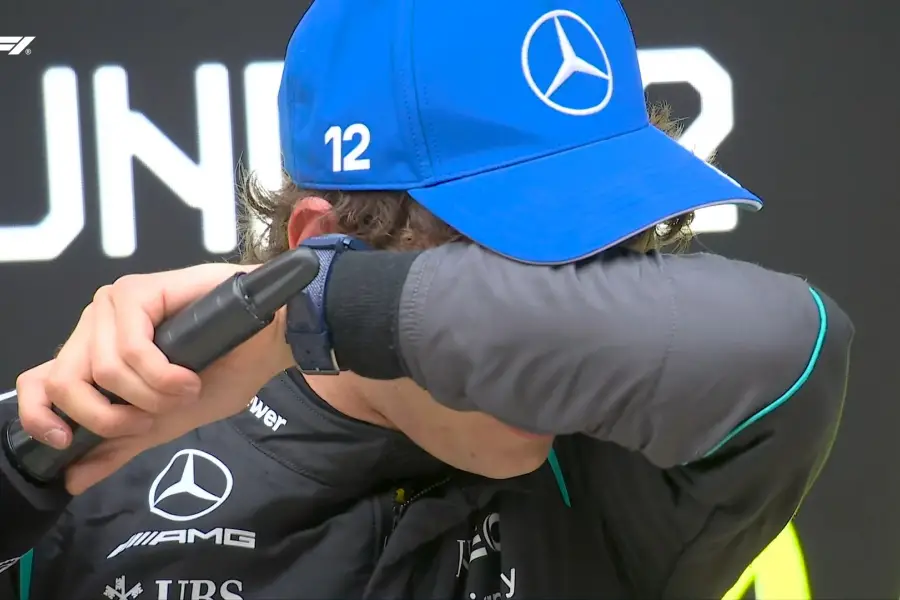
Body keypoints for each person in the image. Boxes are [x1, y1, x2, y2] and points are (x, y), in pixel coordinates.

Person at [1, 1, 853, 598]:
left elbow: (792, 342)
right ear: (316, 239)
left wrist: (319, 306)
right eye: (515, 258)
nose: (568, 315)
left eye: (616, 250)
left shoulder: (624, 467)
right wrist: (27, 463)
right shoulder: (101, 466)